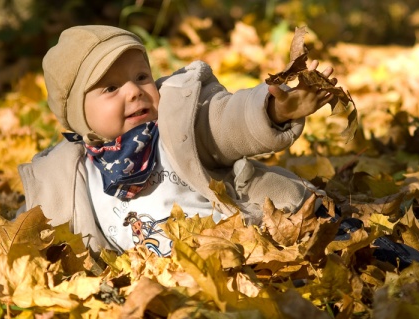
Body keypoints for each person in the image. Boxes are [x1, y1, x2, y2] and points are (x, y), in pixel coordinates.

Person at [17, 25, 337, 257]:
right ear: (76, 114)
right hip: (156, 281)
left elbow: (225, 122)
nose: (134, 91)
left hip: (244, 247)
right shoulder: (69, 175)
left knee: (332, 244)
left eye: (141, 77)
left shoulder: (176, 125)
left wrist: (273, 110)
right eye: (110, 88)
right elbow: (27, 227)